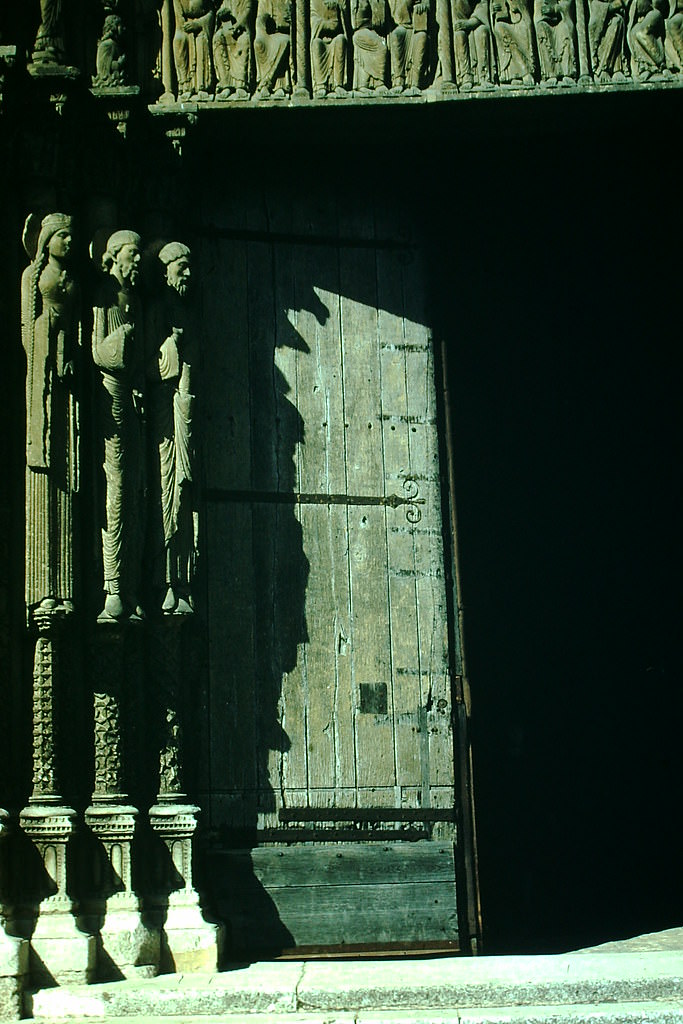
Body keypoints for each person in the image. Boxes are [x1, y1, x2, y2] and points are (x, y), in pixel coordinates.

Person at [21, 213, 79, 617]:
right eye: (62, 235)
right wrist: (48, 337)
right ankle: (44, 588)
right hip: (42, 389)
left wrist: (68, 350)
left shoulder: (75, 279)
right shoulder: (31, 275)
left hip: (68, 384)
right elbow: (28, 328)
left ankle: (68, 587)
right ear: (46, 240)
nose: (69, 242)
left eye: (73, 236)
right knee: (45, 477)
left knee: (67, 480)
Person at [92, 230, 145, 621]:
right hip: (111, 398)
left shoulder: (135, 301)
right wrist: (125, 335)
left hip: (133, 399)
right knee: (115, 490)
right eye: (132, 253)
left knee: (136, 490)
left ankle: (132, 585)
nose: (138, 260)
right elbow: (100, 351)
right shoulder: (105, 297)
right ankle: (112, 584)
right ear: (113, 257)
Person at [146, 243, 198, 615]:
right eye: (182, 267)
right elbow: (145, 365)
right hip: (163, 414)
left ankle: (181, 582)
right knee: (167, 490)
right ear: (164, 270)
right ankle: (162, 581)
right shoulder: (156, 311)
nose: (188, 275)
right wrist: (173, 344)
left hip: (184, 410)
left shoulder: (185, 310)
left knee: (185, 490)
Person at [172, 0, 215, 100]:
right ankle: (186, 86)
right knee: (179, 41)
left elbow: (211, 13)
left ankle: (202, 87)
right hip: (184, 27)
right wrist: (187, 27)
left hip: (202, 27)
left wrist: (199, 24)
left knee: (201, 41)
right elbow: (179, 17)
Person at [214, 0, 254, 99]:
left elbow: (248, 11)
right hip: (228, 28)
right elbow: (221, 13)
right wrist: (222, 14)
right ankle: (226, 84)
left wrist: (238, 25)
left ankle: (241, 84)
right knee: (217, 38)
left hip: (242, 29)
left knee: (243, 40)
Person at [310, 0, 349, 97]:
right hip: (321, 38)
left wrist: (338, 10)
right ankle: (321, 85)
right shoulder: (315, 2)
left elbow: (346, 21)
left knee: (341, 39)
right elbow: (313, 20)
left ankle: (338, 84)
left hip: (335, 38)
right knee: (316, 44)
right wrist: (326, 25)